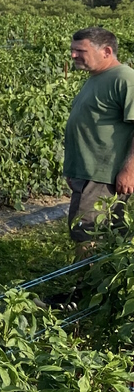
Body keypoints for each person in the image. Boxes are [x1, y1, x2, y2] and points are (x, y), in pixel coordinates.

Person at [63, 26, 134, 249]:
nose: (73, 55)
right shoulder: (97, 77)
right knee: (91, 232)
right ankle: (96, 281)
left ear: (106, 51)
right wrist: (73, 170)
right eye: (73, 50)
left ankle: (88, 283)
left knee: (88, 234)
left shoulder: (124, 78)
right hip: (87, 171)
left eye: (80, 50)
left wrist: (129, 169)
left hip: (104, 174)